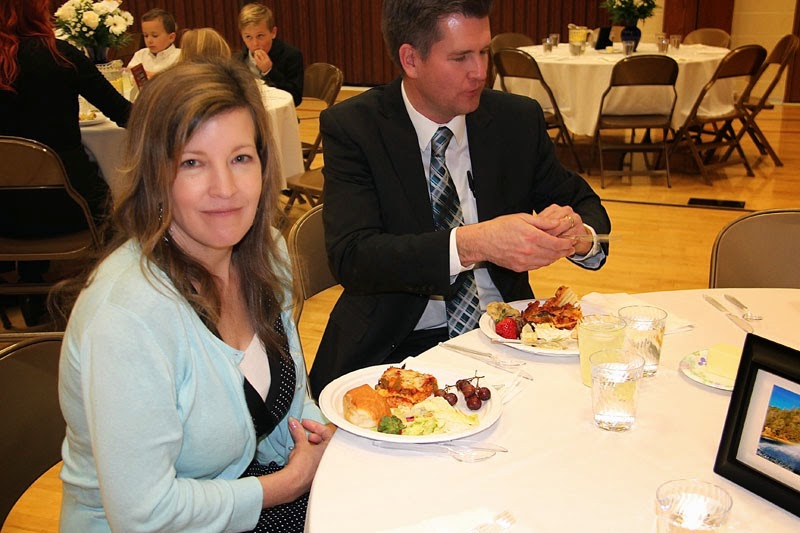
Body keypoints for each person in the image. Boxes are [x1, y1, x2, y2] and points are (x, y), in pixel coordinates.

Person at [57, 59, 334, 532]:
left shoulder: (266, 253)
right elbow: (144, 515)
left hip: (247, 495)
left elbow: (289, 405)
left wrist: (314, 436)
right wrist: (289, 484)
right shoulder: (128, 316)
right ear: (155, 176)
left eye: (240, 158)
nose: (225, 189)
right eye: (192, 163)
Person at [308, 0, 612, 398]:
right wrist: (472, 244)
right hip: (395, 345)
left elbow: (585, 206)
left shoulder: (515, 120)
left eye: (484, 52)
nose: (480, 71)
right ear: (411, 59)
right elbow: (353, 256)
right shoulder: (355, 128)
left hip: (508, 338)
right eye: (460, 57)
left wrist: (578, 235)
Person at [0, 0, 131, 325]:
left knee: (23, 192)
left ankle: (31, 294)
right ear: (37, 11)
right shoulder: (61, 56)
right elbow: (127, 114)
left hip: (4, 218)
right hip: (70, 210)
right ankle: (111, 306)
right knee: (121, 208)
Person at [237, 3, 303, 106]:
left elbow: (296, 99)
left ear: (273, 33)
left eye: (260, 36)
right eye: (248, 37)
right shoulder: (238, 60)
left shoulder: (291, 55)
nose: (255, 43)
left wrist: (269, 71)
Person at [127, 8, 181, 77]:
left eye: (155, 36)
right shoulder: (140, 55)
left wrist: (148, 74)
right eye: (146, 36)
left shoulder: (180, 56)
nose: (149, 40)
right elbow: (128, 74)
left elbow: (175, 79)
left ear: (171, 37)